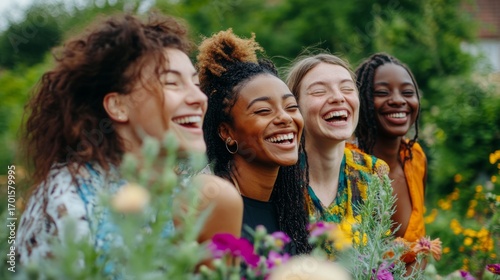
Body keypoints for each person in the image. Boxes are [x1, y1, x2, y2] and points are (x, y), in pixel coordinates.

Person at [16, 13, 242, 266]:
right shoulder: (68, 202)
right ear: (118, 105)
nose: (199, 99)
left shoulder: (196, 197)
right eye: (171, 83)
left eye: (195, 84)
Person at [197, 29, 311, 255]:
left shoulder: (292, 205)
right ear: (226, 131)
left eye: (291, 107)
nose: (285, 118)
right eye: (263, 110)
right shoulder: (212, 203)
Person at [285, 54, 389, 258]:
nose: (338, 97)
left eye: (347, 88)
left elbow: (380, 260)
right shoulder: (278, 176)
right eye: (319, 91)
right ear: (294, 107)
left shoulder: (373, 172)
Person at [354, 53, 427, 262]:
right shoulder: (349, 166)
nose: (398, 100)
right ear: (362, 100)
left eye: (407, 92)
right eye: (382, 92)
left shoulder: (416, 158)